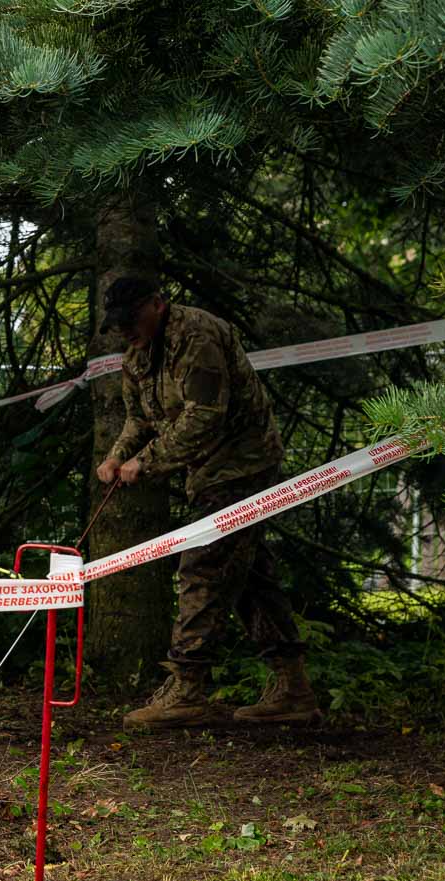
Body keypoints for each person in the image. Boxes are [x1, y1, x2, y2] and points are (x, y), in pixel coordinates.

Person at [96, 275, 320, 730]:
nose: (124, 331)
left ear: (157, 303)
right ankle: (292, 688)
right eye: (117, 324)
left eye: (130, 319)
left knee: (203, 564)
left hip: (243, 464)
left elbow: (204, 417)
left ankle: (189, 688)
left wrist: (147, 461)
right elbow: (140, 417)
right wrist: (119, 453)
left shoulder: (197, 335)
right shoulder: (138, 352)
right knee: (252, 575)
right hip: (207, 471)